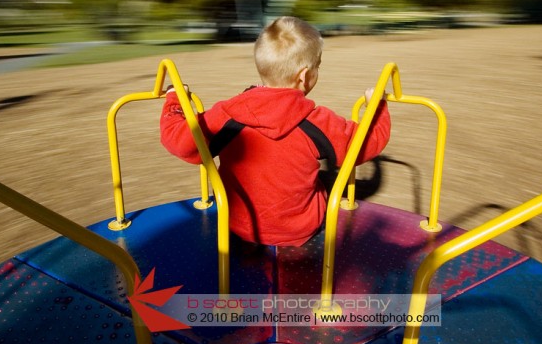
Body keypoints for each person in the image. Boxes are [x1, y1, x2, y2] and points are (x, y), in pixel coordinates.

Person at [160, 16, 390, 246]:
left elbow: (179, 141)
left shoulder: (228, 114)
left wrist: (175, 100)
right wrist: (376, 108)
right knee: (325, 183)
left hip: (238, 225)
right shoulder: (317, 121)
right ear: (305, 76)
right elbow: (365, 144)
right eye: (317, 66)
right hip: (301, 229)